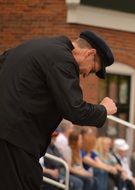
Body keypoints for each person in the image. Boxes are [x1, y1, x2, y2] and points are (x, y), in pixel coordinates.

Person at [0, 30, 117, 189]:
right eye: (93, 70)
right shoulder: (62, 58)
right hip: (16, 141)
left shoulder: (31, 47)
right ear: (90, 53)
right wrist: (103, 109)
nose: (85, 74)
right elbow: (75, 109)